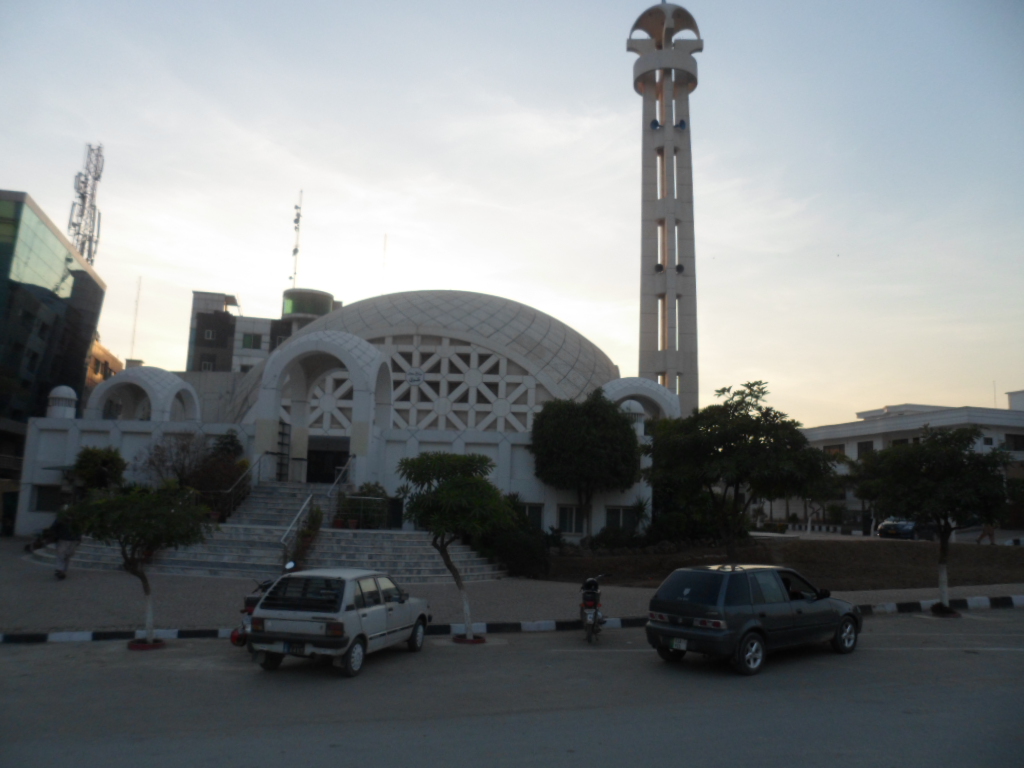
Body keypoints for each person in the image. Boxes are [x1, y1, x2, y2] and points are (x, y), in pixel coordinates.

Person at [52, 511, 82, 580]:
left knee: (68, 554)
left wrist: (79, 538)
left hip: (73, 540)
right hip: (63, 539)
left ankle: (62, 569)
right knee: (61, 554)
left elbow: (80, 529)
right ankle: (60, 570)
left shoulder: (77, 520)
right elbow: (54, 527)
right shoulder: (61, 519)